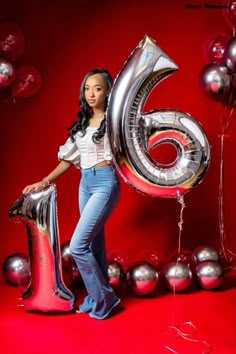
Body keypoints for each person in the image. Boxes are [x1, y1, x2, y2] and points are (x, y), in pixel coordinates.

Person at [23, 68, 121, 320]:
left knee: (78, 246)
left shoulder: (113, 120)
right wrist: (44, 181)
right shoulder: (83, 123)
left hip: (104, 183)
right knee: (95, 244)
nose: (91, 93)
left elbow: (128, 150)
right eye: (87, 88)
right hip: (85, 184)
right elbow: (68, 158)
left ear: (108, 90)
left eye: (97, 88)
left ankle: (104, 299)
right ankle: (96, 295)